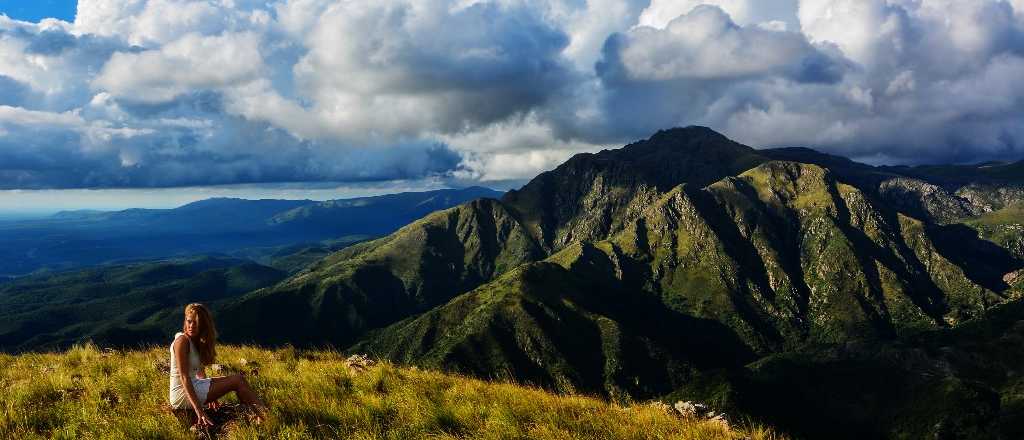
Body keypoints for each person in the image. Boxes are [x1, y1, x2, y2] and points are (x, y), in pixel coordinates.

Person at [169, 303, 266, 428]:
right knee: (238, 380)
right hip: (180, 393)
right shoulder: (182, 341)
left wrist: (211, 395)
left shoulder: (194, 342)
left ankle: (257, 416)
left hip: (193, 385)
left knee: (238, 379)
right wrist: (199, 410)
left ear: (203, 326)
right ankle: (265, 415)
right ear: (185, 321)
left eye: (196, 323)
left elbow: (200, 372)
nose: (191, 326)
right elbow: (184, 377)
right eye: (189, 321)